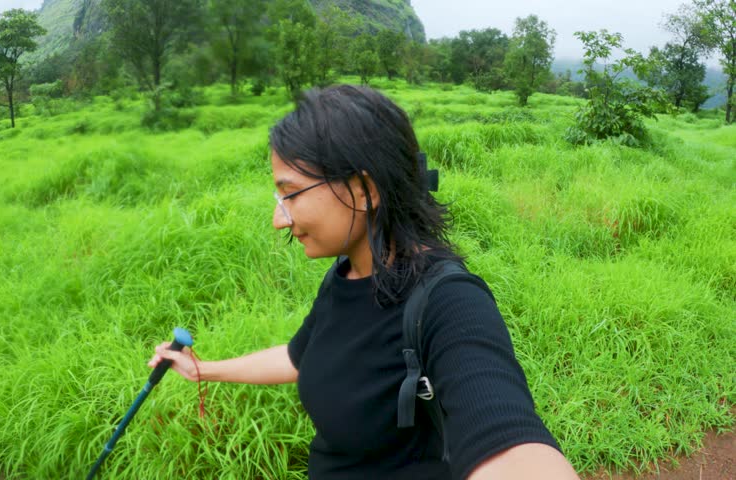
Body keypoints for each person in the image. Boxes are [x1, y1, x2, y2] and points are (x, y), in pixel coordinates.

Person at [149, 85, 580, 480]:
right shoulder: (347, 275)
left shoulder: (449, 302)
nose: (279, 219)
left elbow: (514, 447)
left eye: (292, 193)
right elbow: (301, 356)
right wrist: (204, 370)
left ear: (364, 191)